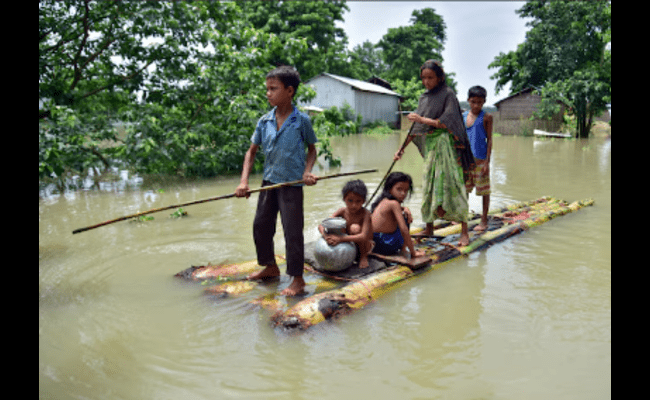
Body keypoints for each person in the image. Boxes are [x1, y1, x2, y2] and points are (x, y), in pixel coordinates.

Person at [235, 66, 318, 296]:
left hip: (292, 185)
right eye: (267, 89)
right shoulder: (264, 121)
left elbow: (312, 150)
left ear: (289, 91)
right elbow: (250, 153)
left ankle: (298, 280)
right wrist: (244, 182)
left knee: (292, 231)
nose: (268, 93)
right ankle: (270, 267)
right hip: (269, 183)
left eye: (273, 89)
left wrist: (307, 172)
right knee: (261, 226)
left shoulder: (301, 121)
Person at [394, 60, 475, 246]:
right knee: (428, 185)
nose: (426, 81)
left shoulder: (448, 95)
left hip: (445, 145)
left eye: (430, 77)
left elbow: (447, 122)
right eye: (423, 78)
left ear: (440, 77)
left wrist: (421, 118)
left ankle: (464, 231)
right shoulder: (424, 98)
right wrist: (401, 149)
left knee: (453, 185)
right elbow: (416, 127)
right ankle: (429, 226)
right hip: (431, 147)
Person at [318, 180, 373, 268]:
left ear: (364, 201)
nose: (353, 205)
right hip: (347, 244)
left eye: (358, 201)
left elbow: (363, 236)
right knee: (336, 226)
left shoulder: (366, 213)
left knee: (354, 228)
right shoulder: (342, 211)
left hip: (363, 247)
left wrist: (340, 238)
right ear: (344, 199)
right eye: (350, 200)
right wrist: (326, 236)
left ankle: (363, 257)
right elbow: (322, 225)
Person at [370, 172, 425, 258]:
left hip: (376, 243)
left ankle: (403, 247)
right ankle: (403, 249)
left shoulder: (383, 200)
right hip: (385, 245)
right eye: (399, 189)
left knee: (404, 213)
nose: (403, 193)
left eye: (406, 190)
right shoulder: (394, 204)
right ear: (389, 188)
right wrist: (413, 253)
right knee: (405, 218)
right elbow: (404, 230)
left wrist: (404, 208)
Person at [463, 85, 493, 232]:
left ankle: (484, 220)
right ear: (468, 100)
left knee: (484, 191)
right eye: (473, 102)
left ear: (484, 102)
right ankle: (462, 218)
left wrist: (487, 162)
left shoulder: (487, 117)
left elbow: (490, 140)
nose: (476, 105)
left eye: (479, 103)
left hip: (481, 161)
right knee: (464, 191)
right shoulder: (463, 117)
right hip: (466, 162)